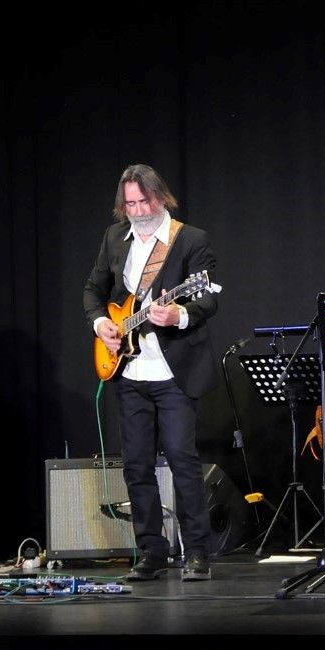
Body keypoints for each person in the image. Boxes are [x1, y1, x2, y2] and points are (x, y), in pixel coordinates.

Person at [82, 164, 220, 582]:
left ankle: (197, 552)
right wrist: (101, 324)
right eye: (131, 203)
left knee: (182, 460)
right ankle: (151, 552)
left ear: (161, 197)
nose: (139, 210)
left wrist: (178, 314)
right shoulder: (114, 237)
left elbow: (208, 299)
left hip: (174, 372)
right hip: (129, 370)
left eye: (145, 201)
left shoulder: (190, 239)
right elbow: (94, 290)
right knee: (137, 466)